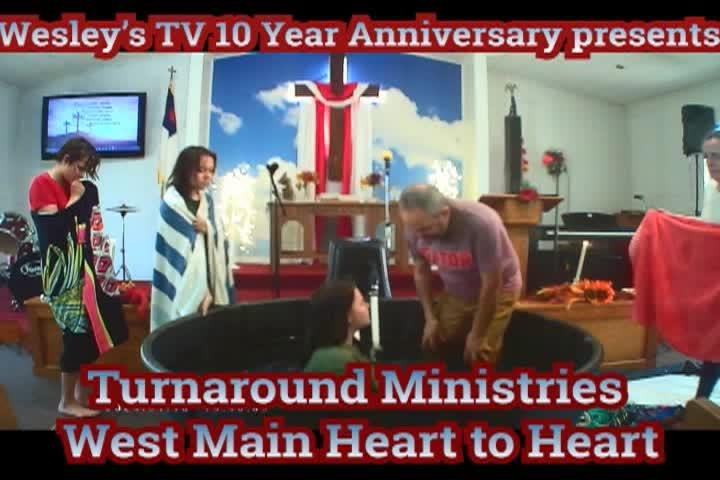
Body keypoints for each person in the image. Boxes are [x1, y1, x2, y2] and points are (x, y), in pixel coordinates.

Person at [28, 137, 128, 418]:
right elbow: (56, 233)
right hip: (62, 275)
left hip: (85, 270)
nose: (81, 175)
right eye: (79, 168)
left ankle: (80, 394)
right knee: (75, 335)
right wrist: (75, 199)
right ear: (66, 159)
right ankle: (66, 401)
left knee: (93, 332)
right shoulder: (41, 184)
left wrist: (82, 194)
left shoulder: (82, 187)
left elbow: (87, 229)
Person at [398, 184, 522, 369]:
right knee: (435, 339)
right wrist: (430, 318)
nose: (419, 236)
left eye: (425, 229)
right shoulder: (415, 227)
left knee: (481, 351)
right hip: (457, 289)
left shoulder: (482, 223)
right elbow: (421, 271)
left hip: (499, 288)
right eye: (413, 229)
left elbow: (491, 284)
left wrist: (478, 334)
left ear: (444, 213)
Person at [150, 146, 235, 332]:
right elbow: (177, 250)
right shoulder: (171, 204)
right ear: (186, 169)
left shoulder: (208, 202)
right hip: (182, 282)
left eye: (211, 171)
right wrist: (200, 291)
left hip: (211, 285)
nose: (207, 176)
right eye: (201, 170)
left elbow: (221, 238)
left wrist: (209, 229)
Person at [303, 280, 372, 376]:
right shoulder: (337, 360)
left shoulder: (350, 350)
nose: (368, 305)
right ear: (347, 315)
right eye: (362, 303)